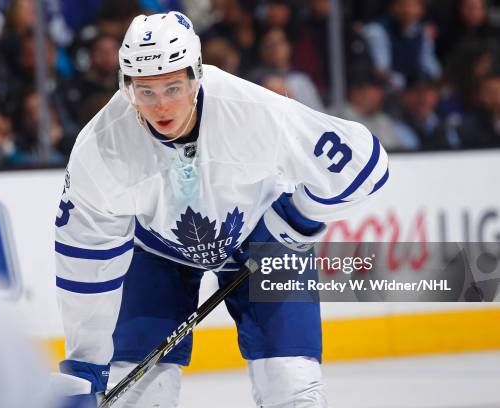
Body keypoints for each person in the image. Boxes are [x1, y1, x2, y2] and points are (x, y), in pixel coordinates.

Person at [53, 11, 389, 408]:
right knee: (142, 397)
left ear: (197, 75)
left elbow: (364, 163)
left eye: (173, 87)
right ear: (126, 87)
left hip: (263, 237)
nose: (161, 106)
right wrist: (86, 367)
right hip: (155, 249)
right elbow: (85, 260)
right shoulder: (102, 147)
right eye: (145, 91)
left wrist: (297, 217)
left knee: (292, 388)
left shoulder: (250, 109)